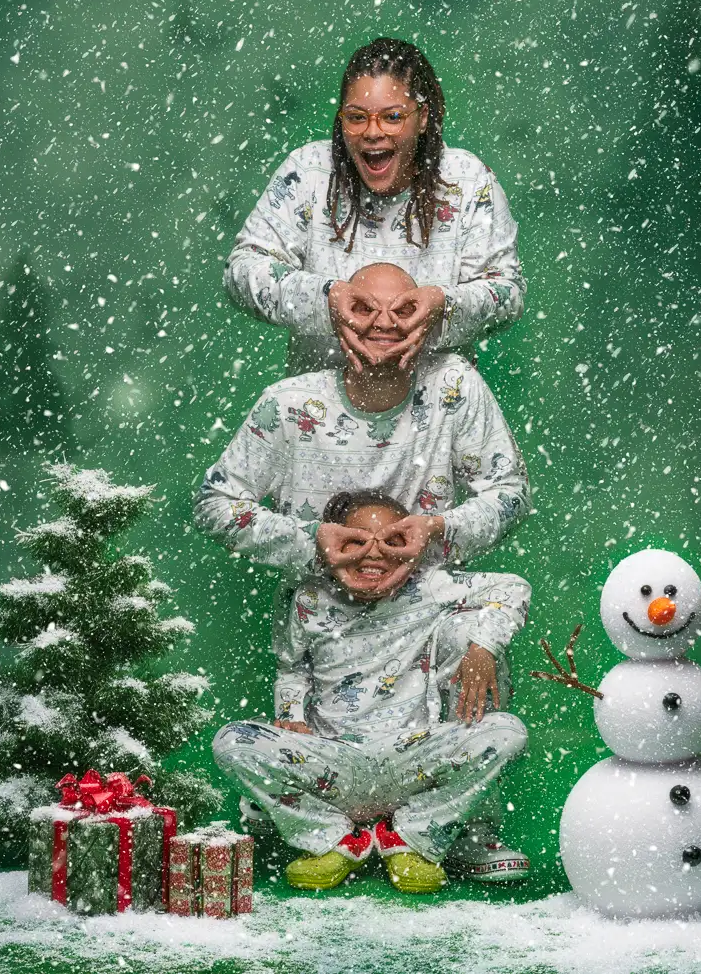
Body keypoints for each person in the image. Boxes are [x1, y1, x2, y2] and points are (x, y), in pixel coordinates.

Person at [212, 489, 530, 893]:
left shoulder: (429, 586)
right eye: (357, 542)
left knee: (508, 731)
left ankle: (411, 834)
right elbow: (292, 668)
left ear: (413, 548)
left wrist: (484, 644)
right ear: (332, 545)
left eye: (392, 543)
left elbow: (513, 587)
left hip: (413, 760)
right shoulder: (309, 597)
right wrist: (291, 717)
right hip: (335, 765)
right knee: (232, 742)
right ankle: (334, 838)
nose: (375, 555)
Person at [194, 262, 530, 578]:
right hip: (317, 626)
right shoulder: (288, 404)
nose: (384, 323)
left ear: (426, 320)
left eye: (403, 311)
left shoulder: (454, 385)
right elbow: (214, 503)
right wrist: (311, 541)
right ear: (340, 317)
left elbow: (511, 495)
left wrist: (436, 531)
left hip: (431, 613)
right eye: (365, 310)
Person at [224, 37, 525, 376]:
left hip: (440, 418)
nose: (372, 132)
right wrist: (324, 300)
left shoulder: (467, 181)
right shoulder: (308, 172)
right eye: (356, 117)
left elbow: (507, 293)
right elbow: (241, 271)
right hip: (321, 419)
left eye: (392, 117)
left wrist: (443, 306)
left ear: (422, 117)